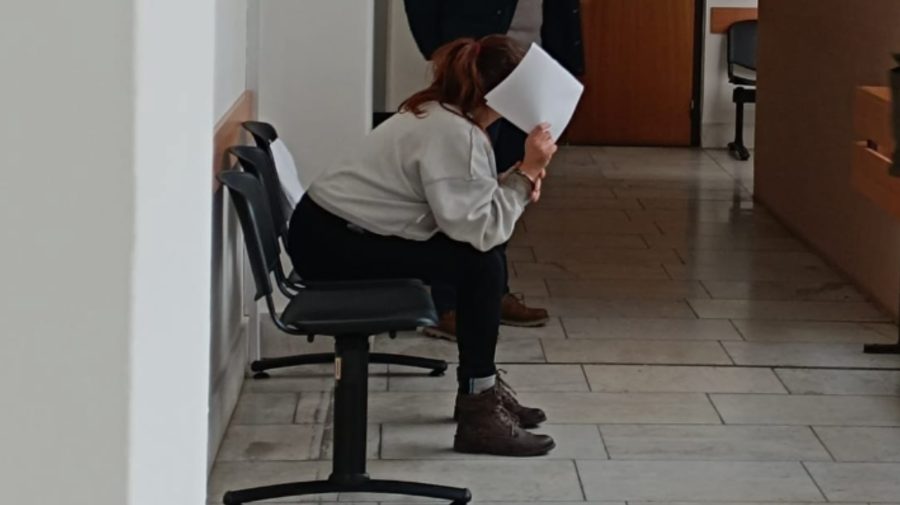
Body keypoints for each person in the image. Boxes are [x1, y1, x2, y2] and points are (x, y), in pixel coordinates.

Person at [288, 36, 558, 457]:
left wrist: (516, 181)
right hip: (331, 246)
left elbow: (467, 203)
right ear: (506, 95)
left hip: (328, 232)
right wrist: (526, 174)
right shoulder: (454, 132)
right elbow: (482, 229)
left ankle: (480, 392)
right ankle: (479, 410)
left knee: (483, 261)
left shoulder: (442, 114)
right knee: (481, 266)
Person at [403, 0, 585, 340]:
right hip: (476, 71)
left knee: (506, 185)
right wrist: (441, 48)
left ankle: (493, 292)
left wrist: (570, 59)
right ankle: (448, 305)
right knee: (459, 189)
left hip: (531, 73)